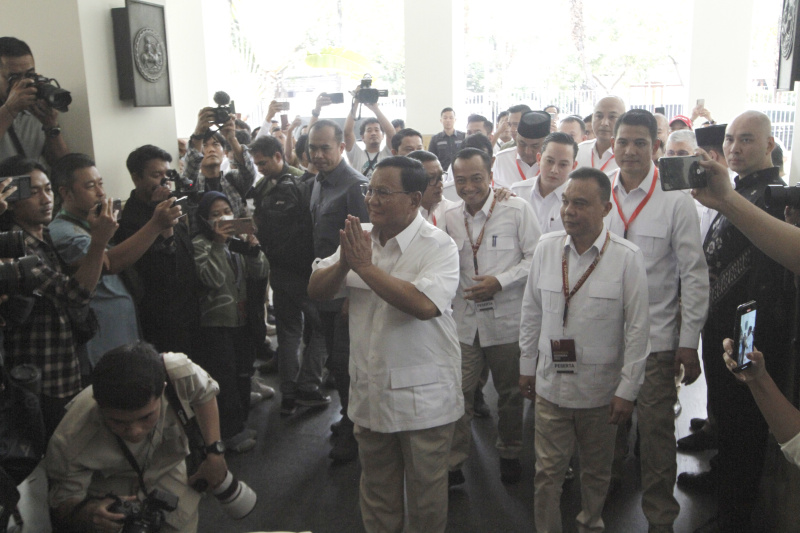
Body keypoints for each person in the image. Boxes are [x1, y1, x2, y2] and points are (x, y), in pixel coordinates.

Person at [308, 156, 462, 533]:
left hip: (424, 399)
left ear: (413, 199)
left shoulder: (438, 246)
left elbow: (424, 305)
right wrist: (345, 263)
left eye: (382, 192)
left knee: (426, 497)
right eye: (370, 190)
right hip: (370, 390)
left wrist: (364, 268)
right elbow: (316, 290)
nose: (372, 200)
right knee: (377, 493)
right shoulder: (360, 238)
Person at [519, 167, 650, 533]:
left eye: (580, 203)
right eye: (565, 201)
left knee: (596, 471)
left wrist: (628, 390)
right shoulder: (547, 249)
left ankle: (590, 523)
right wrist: (526, 365)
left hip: (600, 392)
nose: (568, 211)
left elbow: (639, 329)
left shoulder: (626, 257)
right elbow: (530, 312)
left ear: (606, 209)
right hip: (549, 387)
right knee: (547, 472)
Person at [687, 110, 795, 533]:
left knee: (745, 425)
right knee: (727, 417)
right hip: (722, 325)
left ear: (769, 145)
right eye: (730, 139)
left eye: (747, 139)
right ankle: (722, 479)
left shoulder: (773, 196)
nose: (734, 147)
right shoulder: (736, 188)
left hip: (754, 332)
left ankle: (735, 512)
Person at [605, 109, 709, 533]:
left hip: (656, 340)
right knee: (604, 425)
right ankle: (602, 494)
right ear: (612, 144)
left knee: (656, 434)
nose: (630, 151)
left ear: (656, 147)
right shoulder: (596, 192)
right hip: (603, 336)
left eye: (640, 143)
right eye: (623, 142)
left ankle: (661, 518)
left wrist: (688, 341)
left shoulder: (675, 200)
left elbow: (694, 274)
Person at [46, 342, 227, 533]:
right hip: (112, 489)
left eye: (146, 417)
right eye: (118, 422)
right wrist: (90, 513)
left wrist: (215, 452)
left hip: (167, 470)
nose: (135, 432)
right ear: (98, 405)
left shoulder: (177, 373)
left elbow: (204, 394)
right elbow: (62, 503)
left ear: (163, 390)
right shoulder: (70, 438)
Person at [0, 156, 117, 437]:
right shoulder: (15, 243)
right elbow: (75, 294)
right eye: (34, 191)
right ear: (11, 198)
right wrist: (99, 241)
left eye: (49, 189)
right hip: (38, 376)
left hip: (65, 364)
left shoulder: (46, 237)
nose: (46, 199)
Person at [445, 148, 541, 485]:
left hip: (506, 320)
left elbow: (535, 259)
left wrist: (500, 282)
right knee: (459, 392)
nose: (468, 186)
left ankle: (510, 452)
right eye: (461, 180)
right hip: (464, 322)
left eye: (476, 178)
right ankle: (454, 462)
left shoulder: (516, 210)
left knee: (511, 394)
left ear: (490, 176)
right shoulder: (450, 216)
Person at [49, 153, 181, 370]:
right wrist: (155, 225)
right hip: (100, 339)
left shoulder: (90, 222)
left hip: (121, 330)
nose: (101, 192)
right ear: (66, 192)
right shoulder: (63, 231)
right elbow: (108, 263)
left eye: (100, 184)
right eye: (90, 186)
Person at [248, 135, 330, 414]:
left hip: (283, 270)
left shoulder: (272, 189)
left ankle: (289, 393)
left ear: (279, 156)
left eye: (263, 162)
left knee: (289, 332)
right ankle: (307, 386)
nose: (260, 168)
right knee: (319, 328)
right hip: (301, 270)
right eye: (256, 164)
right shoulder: (303, 185)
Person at [308, 119, 370, 463]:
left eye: (325, 148)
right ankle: (349, 416)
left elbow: (368, 245)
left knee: (348, 365)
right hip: (325, 288)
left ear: (342, 147)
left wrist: (351, 298)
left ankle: (355, 429)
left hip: (347, 296)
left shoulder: (355, 187)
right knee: (335, 361)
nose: (318, 155)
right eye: (313, 148)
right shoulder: (318, 183)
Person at [192, 191, 268, 453]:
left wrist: (254, 248)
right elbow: (210, 279)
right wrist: (216, 243)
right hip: (216, 323)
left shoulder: (237, 243)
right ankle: (229, 432)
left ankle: (241, 424)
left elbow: (261, 272)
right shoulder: (200, 245)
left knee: (243, 373)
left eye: (226, 211)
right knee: (224, 379)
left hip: (243, 319)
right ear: (204, 219)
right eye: (215, 214)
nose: (223, 217)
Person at [117, 145, 199, 355]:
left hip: (189, 306)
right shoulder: (131, 219)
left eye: (167, 174)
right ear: (136, 178)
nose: (164, 181)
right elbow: (158, 269)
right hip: (161, 315)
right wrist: (157, 218)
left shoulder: (171, 203)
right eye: (156, 175)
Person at [0, 37, 69, 165]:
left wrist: (51, 126)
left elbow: (63, 167)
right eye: (14, 77)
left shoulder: (36, 105)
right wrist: (9, 109)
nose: (24, 82)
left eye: (29, 75)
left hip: (33, 183)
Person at [183, 108, 257, 219]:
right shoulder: (193, 183)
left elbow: (249, 173)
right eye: (204, 145)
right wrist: (199, 133)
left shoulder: (232, 179)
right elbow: (191, 167)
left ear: (224, 152)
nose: (211, 149)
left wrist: (232, 138)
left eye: (216, 144)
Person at [510, 131, 577, 234]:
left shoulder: (577, 201)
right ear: (539, 159)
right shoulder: (517, 193)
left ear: (573, 167)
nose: (554, 170)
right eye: (549, 161)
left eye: (563, 165)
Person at [344, 85, 396, 178]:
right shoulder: (356, 154)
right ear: (362, 137)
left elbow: (392, 134)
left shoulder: (387, 154)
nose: (373, 133)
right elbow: (347, 132)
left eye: (377, 130)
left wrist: (376, 109)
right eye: (369, 130)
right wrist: (356, 101)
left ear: (382, 136)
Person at [492, 110, 550, 188]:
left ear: (546, 144)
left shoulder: (555, 165)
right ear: (516, 139)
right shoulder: (501, 159)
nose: (527, 152)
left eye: (535, 146)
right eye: (522, 144)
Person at [407, 150, 457, 231]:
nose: (440, 184)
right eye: (431, 178)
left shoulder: (451, 211)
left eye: (440, 177)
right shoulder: (401, 216)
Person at [576, 96, 625, 175]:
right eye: (599, 116)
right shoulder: (579, 150)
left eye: (612, 117)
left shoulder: (627, 157)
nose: (604, 123)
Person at [428, 107, 465, 172]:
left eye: (451, 118)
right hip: (442, 172)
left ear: (455, 120)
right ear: (441, 120)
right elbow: (431, 158)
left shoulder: (463, 137)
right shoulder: (435, 139)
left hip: (460, 171)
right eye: (445, 118)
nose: (448, 120)